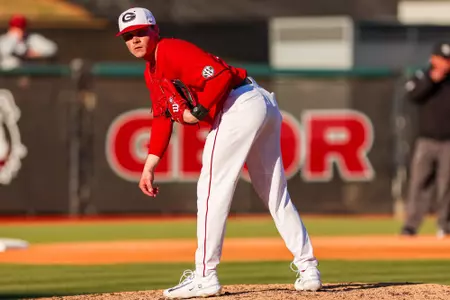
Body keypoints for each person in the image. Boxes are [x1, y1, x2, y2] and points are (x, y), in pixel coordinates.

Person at [116, 7, 322, 298]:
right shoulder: (152, 72)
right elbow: (162, 119)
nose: (134, 40)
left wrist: (200, 110)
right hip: (258, 103)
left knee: (212, 187)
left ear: (155, 31)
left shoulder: (171, 50)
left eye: (140, 33)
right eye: (127, 36)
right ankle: (308, 267)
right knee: (274, 192)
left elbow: (220, 76)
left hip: (238, 105)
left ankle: (205, 274)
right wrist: (150, 165)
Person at [400, 41, 450, 239]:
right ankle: (411, 226)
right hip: (426, 140)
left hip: (449, 141)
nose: (446, 64)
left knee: (447, 185)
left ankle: (445, 226)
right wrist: (432, 80)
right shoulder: (422, 76)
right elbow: (412, 94)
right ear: (433, 58)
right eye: (443, 59)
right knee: (419, 183)